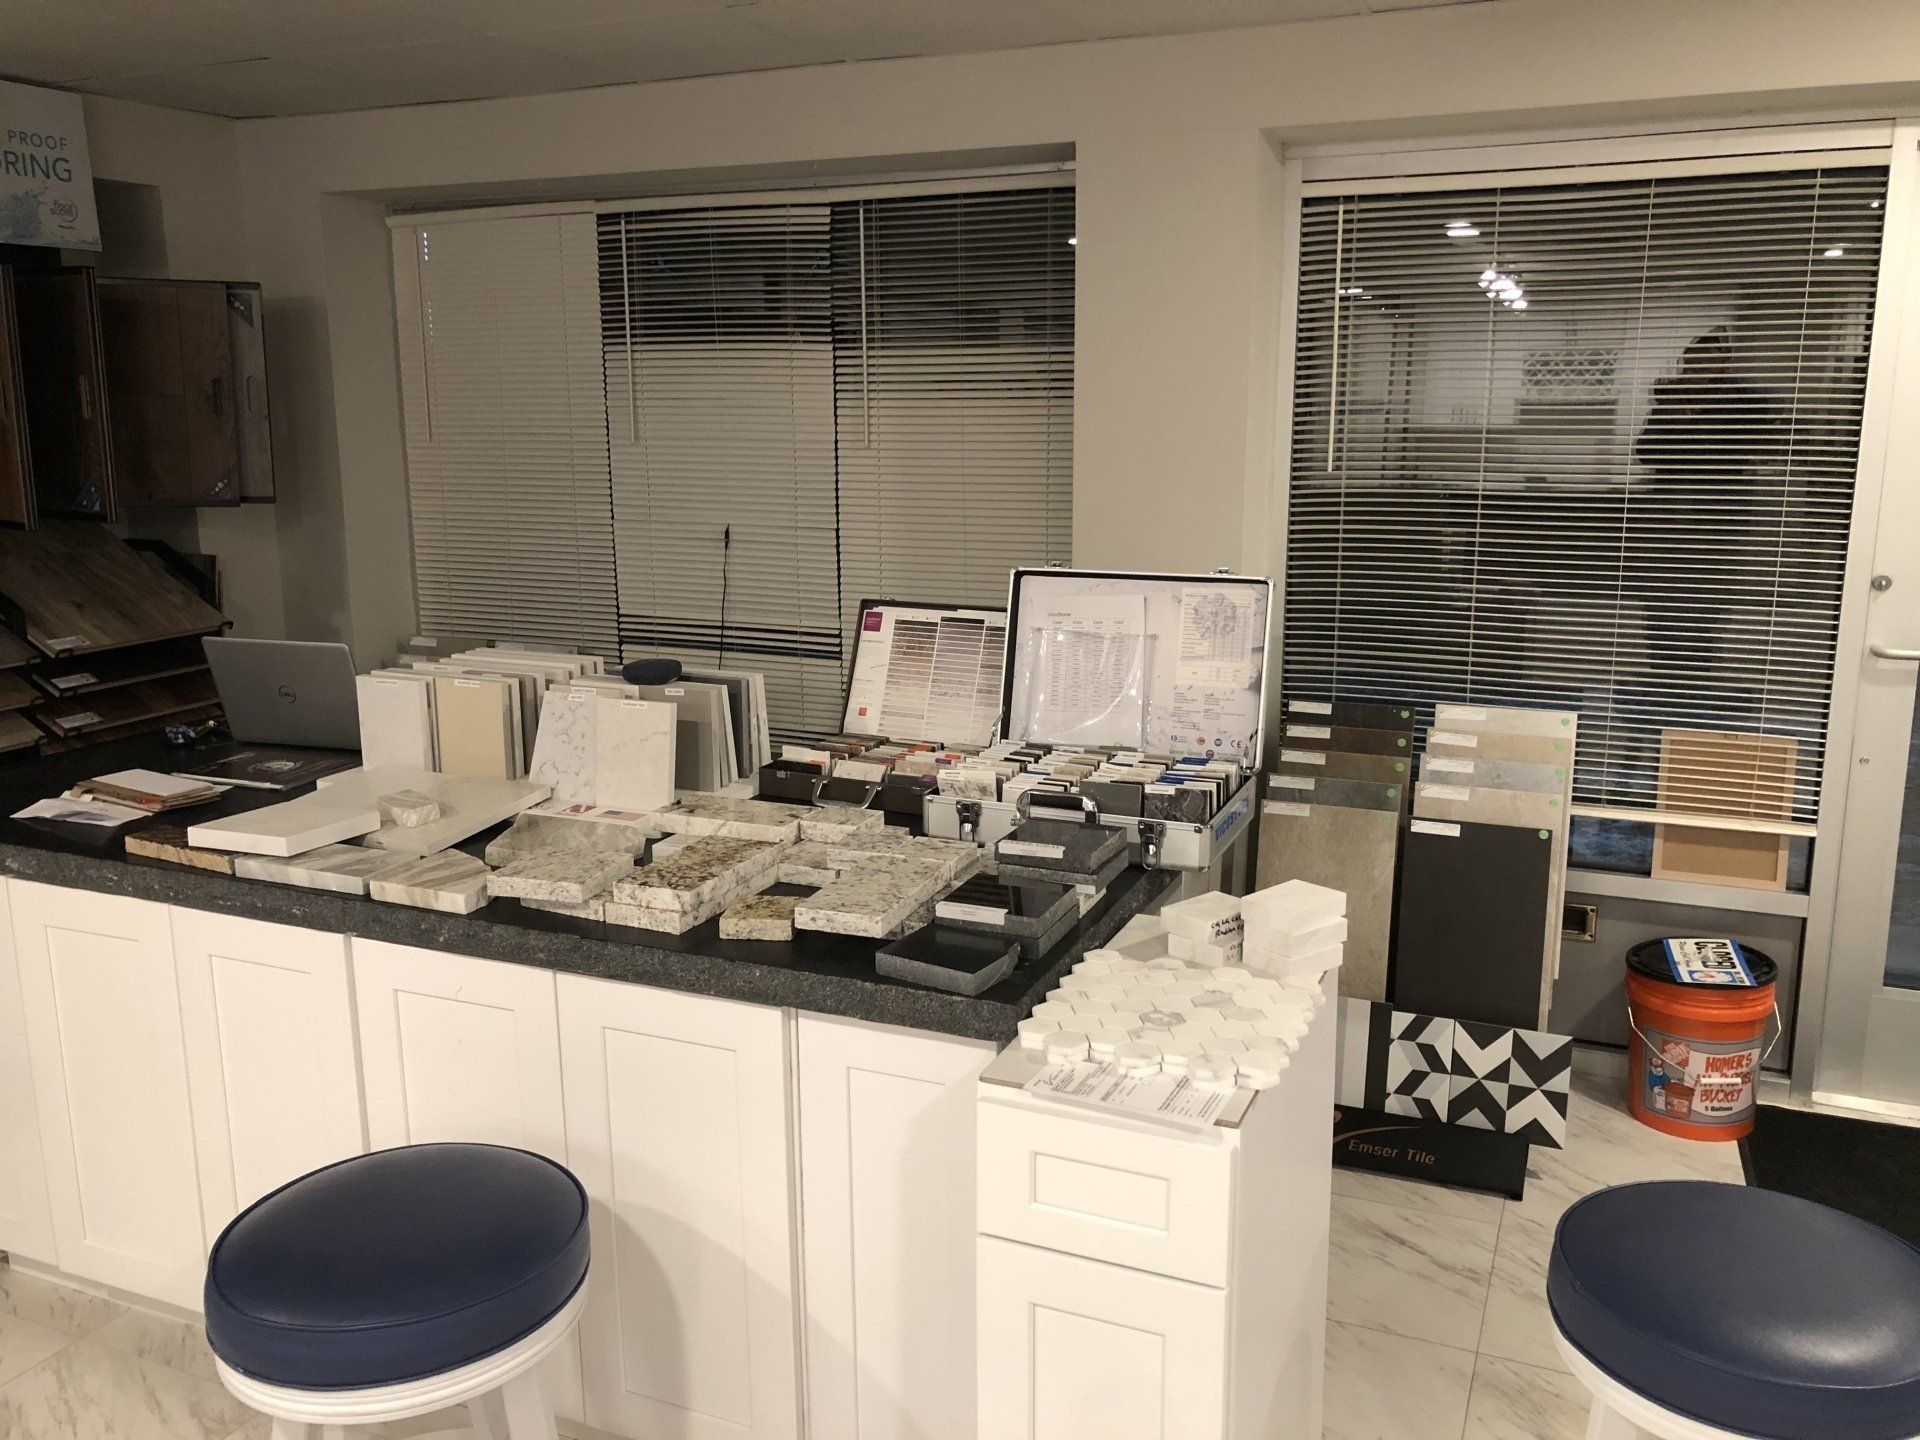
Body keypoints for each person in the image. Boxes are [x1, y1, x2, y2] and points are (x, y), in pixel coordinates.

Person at [1631, 330, 1784, 719]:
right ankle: (1664, 684)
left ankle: (1691, 689)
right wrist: (1675, 412)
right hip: (1667, 522)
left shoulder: (1742, 401)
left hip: (1716, 524)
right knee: (1660, 605)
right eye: (1690, 362)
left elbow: (1756, 438)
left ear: (1723, 365)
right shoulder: (1672, 401)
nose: (1694, 369)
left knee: (1703, 606)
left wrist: (1688, 426)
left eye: (1704, 361)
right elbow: (1646, 450)